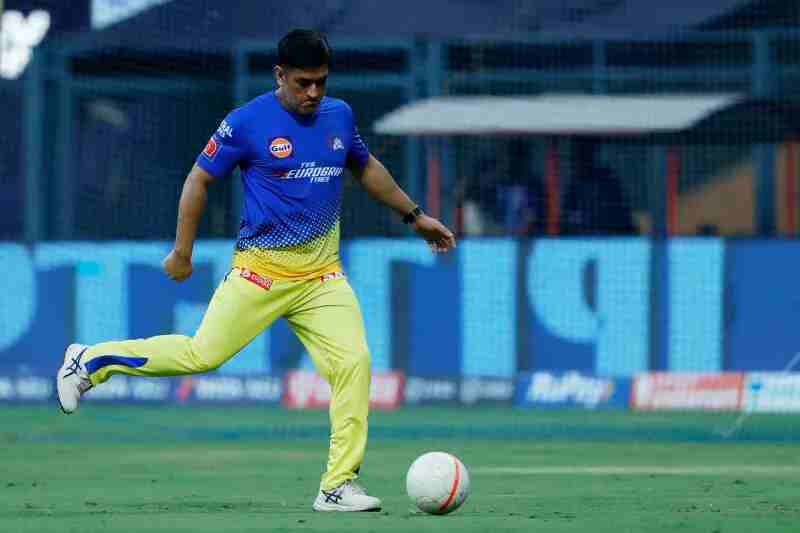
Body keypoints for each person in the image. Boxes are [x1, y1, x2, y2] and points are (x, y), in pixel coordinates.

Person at [55, 29, 456, 512]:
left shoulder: (339, 116)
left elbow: (366, 167)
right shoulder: (245, 122)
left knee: (355, 363)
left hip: (322, 278)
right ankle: (89, 362)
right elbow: (198, 180)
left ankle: (338, 485)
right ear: (280, 75)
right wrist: (182, 252)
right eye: (303, 82)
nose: (313, 93)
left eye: (321, 82)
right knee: (201, 356)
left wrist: (416, 217)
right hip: (259, 274)